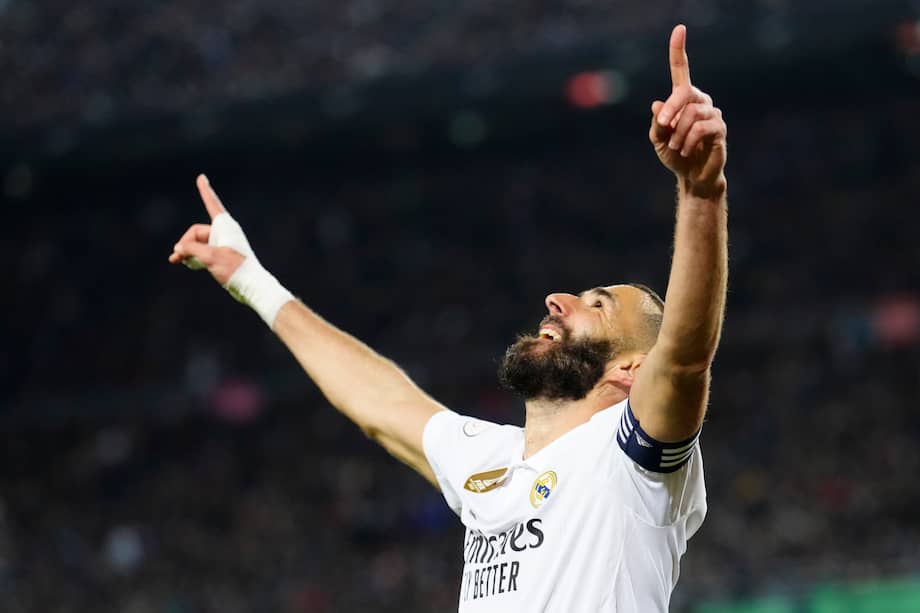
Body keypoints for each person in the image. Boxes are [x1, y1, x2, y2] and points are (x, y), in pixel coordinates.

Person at [169, 24, 727, 613]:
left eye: (597, 306)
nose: (556, 301)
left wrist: (701, 192)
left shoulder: (633, 459)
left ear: (632, 370)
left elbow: (684, 358)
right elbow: (381, 402)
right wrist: (252, 280)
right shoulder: (489, 462)